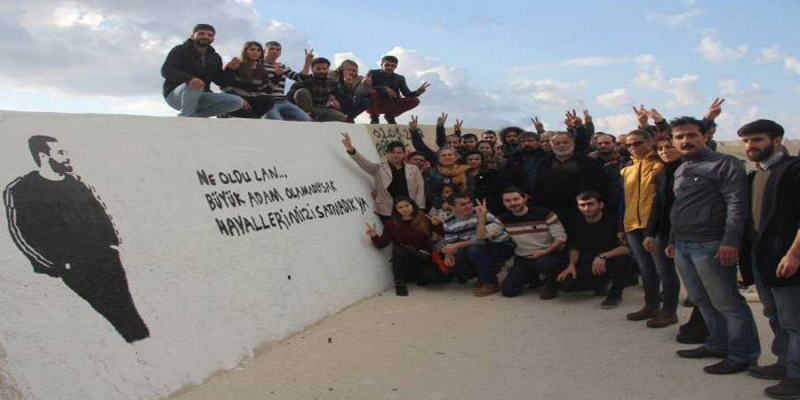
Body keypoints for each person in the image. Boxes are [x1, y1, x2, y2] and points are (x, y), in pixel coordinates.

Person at [3, 136, 150, 343]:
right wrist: (55, 265)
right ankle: (139, 344)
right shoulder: (21, 189)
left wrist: (112, 244)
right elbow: (19, 231)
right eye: (60, 153)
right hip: (73, 266)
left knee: (125, 308)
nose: (67, 157)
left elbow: (101, 211)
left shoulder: (76, 182)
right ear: (43, 156)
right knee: (112, 312)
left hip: (105, 257)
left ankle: (142, 342)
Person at [668, 116, 760, 375]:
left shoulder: (724, 163)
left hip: (711, 244)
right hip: (684, 245)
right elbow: (680, 206)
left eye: (691, 135)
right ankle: (718, 344)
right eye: (679, 137)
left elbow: (736, 205)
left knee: (727, 302)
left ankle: (743, 355)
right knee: (702, 300)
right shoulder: (681, 168)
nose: (685, 141)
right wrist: (673, 239)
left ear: (705, 136)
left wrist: (730, 242)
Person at [737, 120, 800, 398]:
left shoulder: (793, 170)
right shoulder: (757, 174)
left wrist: (794, 254)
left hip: (788, 259)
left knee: (794, 321)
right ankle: (784, 362)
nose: (751, 146)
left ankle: (796, 376)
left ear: (776, 140)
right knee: (774, 315)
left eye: (757, 139)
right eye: (746, 141)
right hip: (762, 259)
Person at [644, 135, 707, 340]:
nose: (665, 151)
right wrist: (650, 233)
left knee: (697, 281)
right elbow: (657, 206)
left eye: (669, 147)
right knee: (666, 273)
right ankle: (668, 311)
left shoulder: (692, 171)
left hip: (688, 232)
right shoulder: (661, 174)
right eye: (660, 149)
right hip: (664, 232)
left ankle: (702, 323)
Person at [618, 129, 680, 327]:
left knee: (664, 269)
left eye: (637, 143)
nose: (633, 147)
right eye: (629, 145)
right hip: (632, 224)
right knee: (646, 269)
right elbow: (624, 200)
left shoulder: (660, 164)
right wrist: (621, 226)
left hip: (655, 224)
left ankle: (669, 310)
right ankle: (651, 305)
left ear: (649, 142)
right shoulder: (626, 168)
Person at [482, 188, 566, 298]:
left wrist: (546, 251)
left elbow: (561, 238)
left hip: (549, 253)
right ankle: (533, 276)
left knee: (545, 264)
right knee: (508, 291)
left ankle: (551, 285)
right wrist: (482, 218)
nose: (512, 203)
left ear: (525, 198)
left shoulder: (545, 213)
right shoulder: (504, 218)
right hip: (525, 256)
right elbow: (482, 235)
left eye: (516, 199)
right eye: (508, 201)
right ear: (504, 203)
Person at [556, 191, 630, 308]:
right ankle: (600, 285)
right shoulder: (576, 222)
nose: (586, 208)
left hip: (609, 259)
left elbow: (627, 248)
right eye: (582, 205)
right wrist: (571, 265)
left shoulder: (615, 221)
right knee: (566, 284)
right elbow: (574, 246)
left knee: (623, 259)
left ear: (600, 205)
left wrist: (603, 256)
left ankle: (615, 295)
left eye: (590, 204)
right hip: (588, 261)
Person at [161, 24, 243, 117]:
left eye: (209, 35)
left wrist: (230, 70)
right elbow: (166, 70)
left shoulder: (215, 57)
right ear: (192, 36)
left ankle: (197, 117)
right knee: (195, 84)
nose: (205, 37)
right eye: (201, 33)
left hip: (202, 95)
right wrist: (190, 79)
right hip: (176, 95)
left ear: (213, 39)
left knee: (236, 102)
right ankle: (185, 117)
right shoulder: (180, 50)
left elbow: (220, 81)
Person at [366, 197, 444, 296]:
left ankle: (419, 276)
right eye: (400, 207)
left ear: (413, 206)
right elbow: (382, 244)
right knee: (400, 251)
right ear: (396, 210)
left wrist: (437, 224)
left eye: (407, 206)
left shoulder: (424, 219)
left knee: (435, 279)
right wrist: (374, 235)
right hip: (403, 257)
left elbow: (443, 234)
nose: (404, 209)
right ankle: (399, 282)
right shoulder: (391, 224)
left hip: (422, 255)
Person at [340, 133, 425, 223]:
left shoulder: (414, 169)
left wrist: (420, 207)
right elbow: (364, 163)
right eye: (392, 152)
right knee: (391, 231)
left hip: (409, 209)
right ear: (387, 154)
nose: (396, 155)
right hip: (387, 210)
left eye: (399, 153)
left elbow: (420, 188)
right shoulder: (378, 169)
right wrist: (351, 149)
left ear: (404, 154)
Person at [442, 194, 515, 296]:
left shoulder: (483, 212)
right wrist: (448, 254)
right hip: (475, 248)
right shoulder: (449, 222)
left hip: (500, 245)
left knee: (475, 250)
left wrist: (481, 219)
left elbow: (484, 239)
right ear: (453, 207)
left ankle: (490, 283)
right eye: (463, 204)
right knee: (456, 261)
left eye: (469, 202)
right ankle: (485, 273)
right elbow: (452, 243)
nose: (468, 206)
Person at [532, 131, 608, 222]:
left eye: (565, 142)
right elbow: (538, 188)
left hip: (583, 212)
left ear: (573, 143)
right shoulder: (544, 164)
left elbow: (601, 186)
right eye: (557, 143)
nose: (561, 145)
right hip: (552, 213)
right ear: (552, 146)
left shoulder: (590, 163)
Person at [367, 55, 430, 124]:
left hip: (390, 103)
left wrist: (418, 92)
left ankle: (390, 116)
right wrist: (384, 88)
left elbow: (407, 94)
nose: (389, 67)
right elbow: (365, 87)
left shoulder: (400, 78)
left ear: (396, 66)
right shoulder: (372, 73)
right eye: (387, 65)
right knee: (372, 92)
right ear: (381, 65)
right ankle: (374, 118)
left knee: (415, 100)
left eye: (392, 66)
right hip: (374, 104)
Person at [220, 41, 275, 119]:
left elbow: (266, 90)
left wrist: (277, 76)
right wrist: (239, 99)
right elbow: (223, 84)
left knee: (268, 100)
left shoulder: (262, 71)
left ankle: (252, 117)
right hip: (233, 98)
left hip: (251, 100)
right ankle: (227, 114)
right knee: (251, 117)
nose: (255, 52)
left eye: (258, 50)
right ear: (245, 51)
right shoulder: (235, 65)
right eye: (252, 49)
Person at [262, 41, 313, 121]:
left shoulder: (282, 66)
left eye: (278, 50)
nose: (275, 51)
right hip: (266, 101)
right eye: (271, 49)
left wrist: (308, 62)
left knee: (306, 119)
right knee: (277, 121)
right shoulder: (259, 66)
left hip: (282, 101)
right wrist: (277, 76)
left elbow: (300, 78)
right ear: (264, 51)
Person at [292, 57, 348, 122]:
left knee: (340, 116)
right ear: (312, 69)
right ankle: (308, 118)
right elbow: (290, 95)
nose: (321, 71)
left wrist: (337, 103)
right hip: (304, 110)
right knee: (302, 92)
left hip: (322, 108)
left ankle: (316, 121)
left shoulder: (332, 82)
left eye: (324, 69)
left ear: (328, 69)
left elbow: (342, 97)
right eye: (318, 69)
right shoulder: (304, 80)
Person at [504, 131, 545, 196]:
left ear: (538, 142)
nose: (526, 143)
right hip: (522, 195)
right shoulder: (513, 158)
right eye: (522, 141)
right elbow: (508, 179)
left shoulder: (547, 156)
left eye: (530, 141)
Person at [464, 150, 504, 216]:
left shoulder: (492, 173)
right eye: (470, 159)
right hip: (469, 204)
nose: (473, 161)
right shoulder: (462, 174)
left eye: (476, 159)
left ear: (481, 160)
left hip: (489, 205)